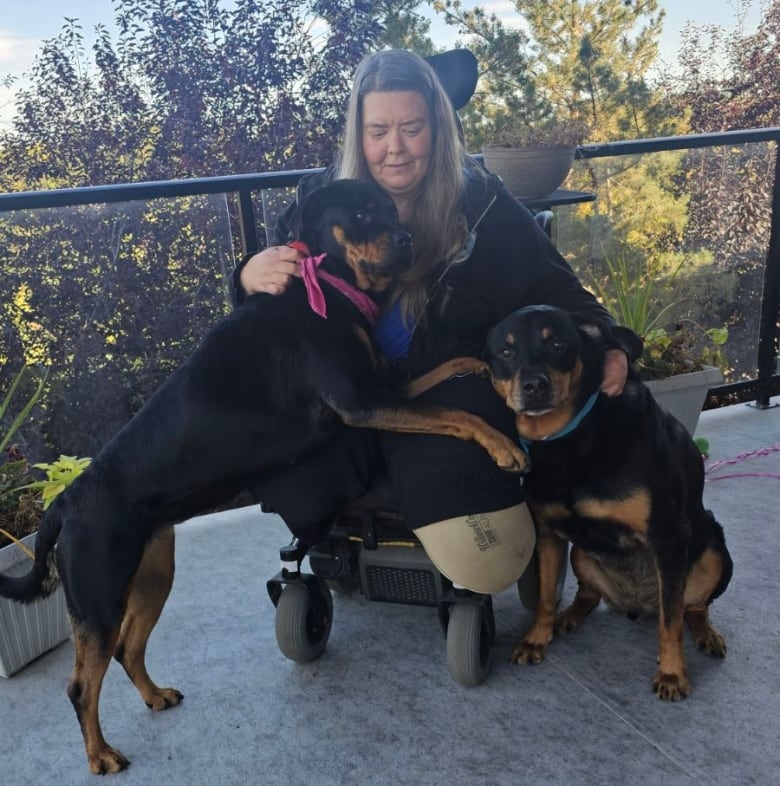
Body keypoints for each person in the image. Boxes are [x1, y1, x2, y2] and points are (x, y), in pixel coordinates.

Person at [231, 49, 638, 594]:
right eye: (377, 131)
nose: (393, 148)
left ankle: (428, 514)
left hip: (444, 403)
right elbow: (267, 317)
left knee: (493, 565)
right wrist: (247, 275)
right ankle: (369, 529)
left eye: (411, 128)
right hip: (345, 406)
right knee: (268, 452)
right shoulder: (320, 200)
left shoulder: (486, 207)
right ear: (359, 134)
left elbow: (563, 291)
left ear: (438, 130)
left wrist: (614, 345)